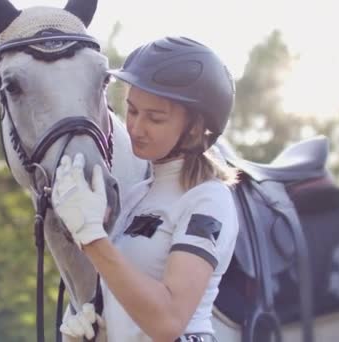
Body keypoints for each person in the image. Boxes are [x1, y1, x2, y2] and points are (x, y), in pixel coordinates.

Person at [51, 36, 240, 342]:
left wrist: (92, 237)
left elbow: (168, 323)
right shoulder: (135, 196)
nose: (136, 128)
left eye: (155, 118)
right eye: (133, 111)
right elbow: (131, 301)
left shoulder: (208, 200)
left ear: (194, 127)